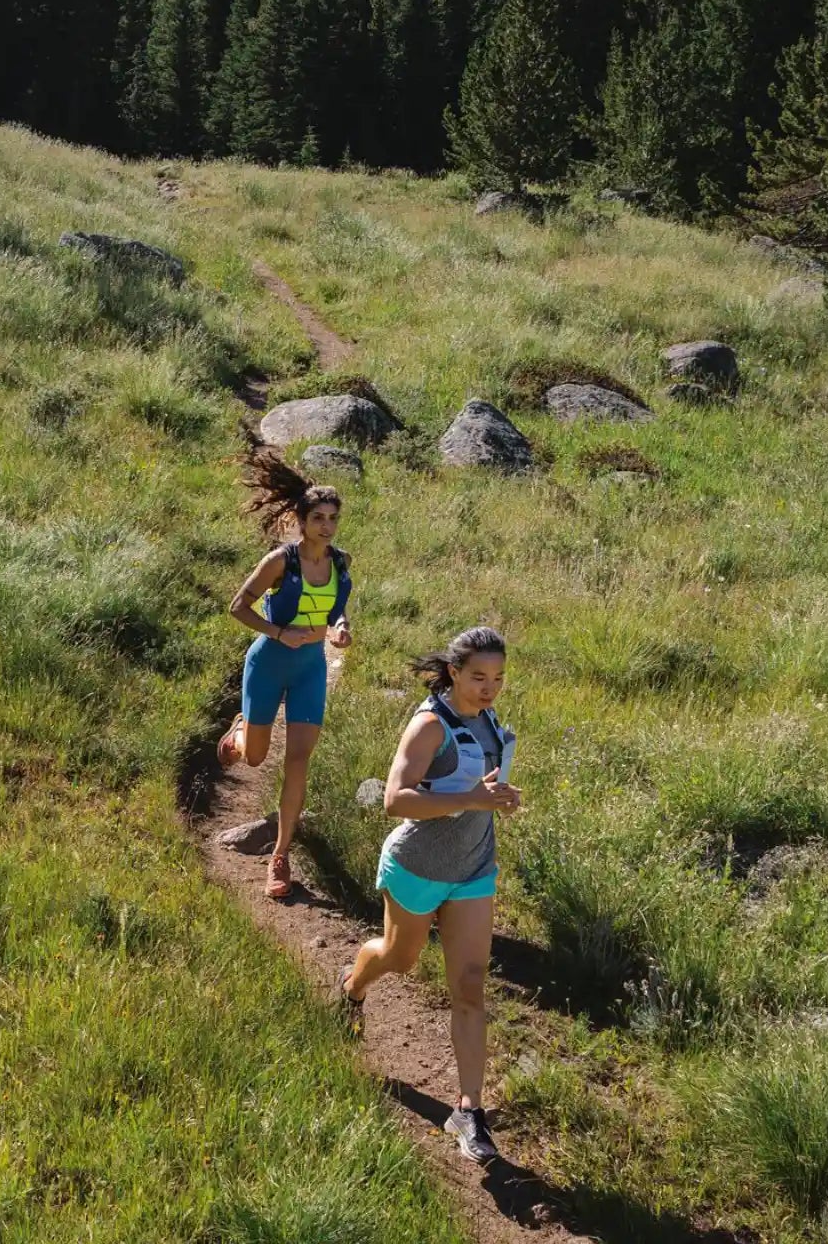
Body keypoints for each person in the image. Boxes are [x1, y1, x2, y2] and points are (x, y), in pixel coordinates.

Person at [342, 627, 519, 1165]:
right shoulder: (428, 725)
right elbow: (396, 800)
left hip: (473, 870)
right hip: (417, 866)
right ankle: (351, 988)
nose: (489, 689)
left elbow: (479, 791)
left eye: (497, 679)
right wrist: (472, 798)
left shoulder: (487, 720)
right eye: (478, 678)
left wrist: (497, 799)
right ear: (454, 673)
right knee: (401, 957)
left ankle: (468, 1111)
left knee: (469, 986)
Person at [217, 443, 352, 900]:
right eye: (320, 519)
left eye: (333, 518)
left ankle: (280, 854)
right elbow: (238, 606)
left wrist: (339, 629)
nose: (328, 527)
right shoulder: (280, 561)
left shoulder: (339, 564)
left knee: (298, 761)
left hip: (311, 669)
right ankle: (240, 731)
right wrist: (278, 632)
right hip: (269, 661)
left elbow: (337, 610)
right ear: (302, 520)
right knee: (255, 757)